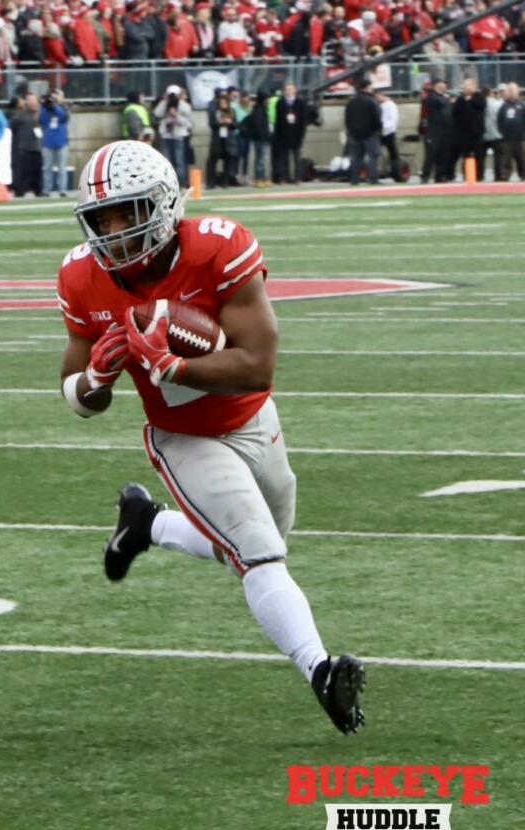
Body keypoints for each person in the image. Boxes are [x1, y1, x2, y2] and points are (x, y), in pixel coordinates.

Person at [56, 140, 365, 737]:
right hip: (183, 437)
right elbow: (75, 393)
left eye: (129, 213)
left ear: (166, 204)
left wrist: (172, 365)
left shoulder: (218, 247)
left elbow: (258, 365)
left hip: (253, 418)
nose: (116, 233)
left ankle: (145, 525)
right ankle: (322, 673)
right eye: (104, 219)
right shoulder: (81, 277)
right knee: (258, 553)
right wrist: (95, 378)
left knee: (251, 548)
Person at [271, 82, 312, 185]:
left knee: (296, 157)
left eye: (291, 89)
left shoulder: (300, 103)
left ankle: (297, 178)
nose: (289, 91)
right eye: (287, 89)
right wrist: (277, 135)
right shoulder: (280, 103)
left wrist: (301, 134)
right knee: (284, 158)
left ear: (295, 91)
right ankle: (284, 177)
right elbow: (278, 120)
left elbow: (303, 120)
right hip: (283, 134)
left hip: (296, 134)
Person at [343, 78, 382, 185]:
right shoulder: (371, 101)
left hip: (354, 134)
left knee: (356, 158)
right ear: (367, 88)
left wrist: (351, 130)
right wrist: (378, 129)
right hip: (370, 134)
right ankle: (373, 179)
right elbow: (377, 118)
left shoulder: (351, 102)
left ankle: (354, 179)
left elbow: (347, 119)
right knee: (373, 156)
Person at [153, 86, 193, 186]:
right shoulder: (165, 103)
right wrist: (164, 101)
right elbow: (157, 114)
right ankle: (168, 183)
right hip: (166, 135)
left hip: (179, 135)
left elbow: (186, 122)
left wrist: (176, 115)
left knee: (179, 161)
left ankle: (181, 182)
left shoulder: (184, 106)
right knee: (167, 160)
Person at [495, 83, 525, 182]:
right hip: (507, 139)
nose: (511, 91)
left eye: (513, 89)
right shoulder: (504, 106)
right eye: (509, 89)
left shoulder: (522, 105)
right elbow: (499, 120)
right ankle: (505, 175)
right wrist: (503, 131)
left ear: (518, 91)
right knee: (506, 160)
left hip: (520, 138)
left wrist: (523, 131)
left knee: (523, 159)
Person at [452, 78, 487, 179]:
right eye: (464, 85)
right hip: (464, 133)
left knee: (479, 156)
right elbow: (455, 113)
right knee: (466, 155)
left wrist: (471, 99)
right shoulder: (461, 99)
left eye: (467, 85)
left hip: (477, 133)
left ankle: (480, 175)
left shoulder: (480, 97)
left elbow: (482, 105)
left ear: (473, 86)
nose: (465, 87)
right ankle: (467, 175)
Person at [420, 80, 454, 183]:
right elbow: (436, 102)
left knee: (443, 155)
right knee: (431, 154)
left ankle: (440, 175)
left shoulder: (444, 98)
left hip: (445, 132)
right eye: (441, 86)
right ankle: (425, 175)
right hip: (434, 131)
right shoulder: (432, 97)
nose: (443, 88)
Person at [40, 92, 69, 197]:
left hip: (61, 142)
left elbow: (62, 116)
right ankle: (46, 189)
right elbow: (42, 120)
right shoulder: (44, 109)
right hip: (48, 143)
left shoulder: (63, 107)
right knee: (47, 168)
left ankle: (62, 189)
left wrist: (54, 106)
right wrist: (45, 106)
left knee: (61, 168)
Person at [377, 91, 401, 182]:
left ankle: (396, 169)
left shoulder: (390, 105)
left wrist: (385, 128)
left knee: (392, 151)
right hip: (380, 131)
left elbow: (393, 119)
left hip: (389, 132)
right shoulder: (379, 105)